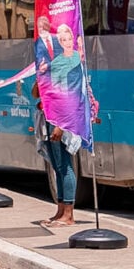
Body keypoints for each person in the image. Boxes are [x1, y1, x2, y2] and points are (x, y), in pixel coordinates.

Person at [32, 83, 78, 227]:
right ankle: (60, 211)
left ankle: (68, 215)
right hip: (47, 117)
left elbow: (70, 99)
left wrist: (60, 126)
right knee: (57, 168)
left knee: (65, 166)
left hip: (59, 120)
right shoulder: (46, 71)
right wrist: (39, 79)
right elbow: (35, 94)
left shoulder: (62, 71)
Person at [49, 24, 83, 92]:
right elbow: (55, 87)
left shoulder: (79, 55)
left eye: (69, 39)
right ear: (60, 43)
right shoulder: (55, 62)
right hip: (65, 99)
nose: (68, 43)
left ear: (73, 40)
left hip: (80, 98)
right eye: (64, 40)